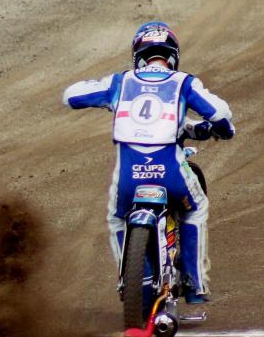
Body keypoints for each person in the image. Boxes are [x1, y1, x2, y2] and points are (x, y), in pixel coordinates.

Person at [62, 21, 235, 304]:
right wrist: (224, 130)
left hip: (129, 178)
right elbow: (219, 113)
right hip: (171, 174)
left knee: (117, 218)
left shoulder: (120, 82)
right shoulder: (183, 82)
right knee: (196, 209)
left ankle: (131, 280)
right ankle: (194, 283)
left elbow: (71, 96)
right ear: (173, 56)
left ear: (138, 56)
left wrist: (105, 96)